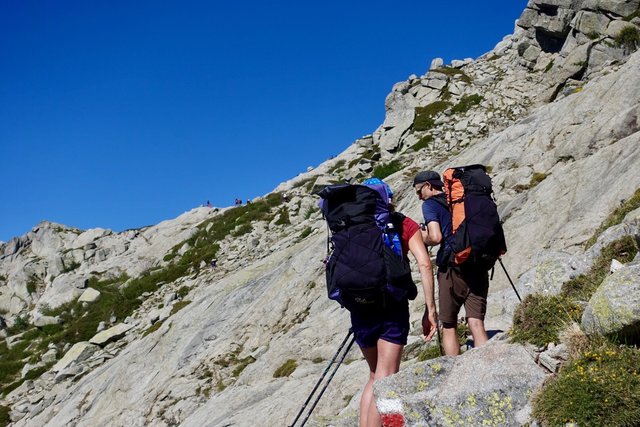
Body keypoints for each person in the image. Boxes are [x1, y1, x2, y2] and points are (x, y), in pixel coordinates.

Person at [351, 179, 438, 427]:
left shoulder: (354, 226)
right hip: (392, 307)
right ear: (388, 199)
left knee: (373, 375)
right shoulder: (402, 223)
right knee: (386, 377)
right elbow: (424, 263)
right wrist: (430, 310)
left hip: (359, 308)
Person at [413, 171, 489, 356]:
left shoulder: (430, 205)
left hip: (452, 267)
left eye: (418, 191)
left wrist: (421, 237)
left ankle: (454, 373)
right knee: (476, 322)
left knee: (449, 325)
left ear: (428, 186)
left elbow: (436, 237)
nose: (419, 197)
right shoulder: (463, 198)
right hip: (477, 262)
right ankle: (488, 367)